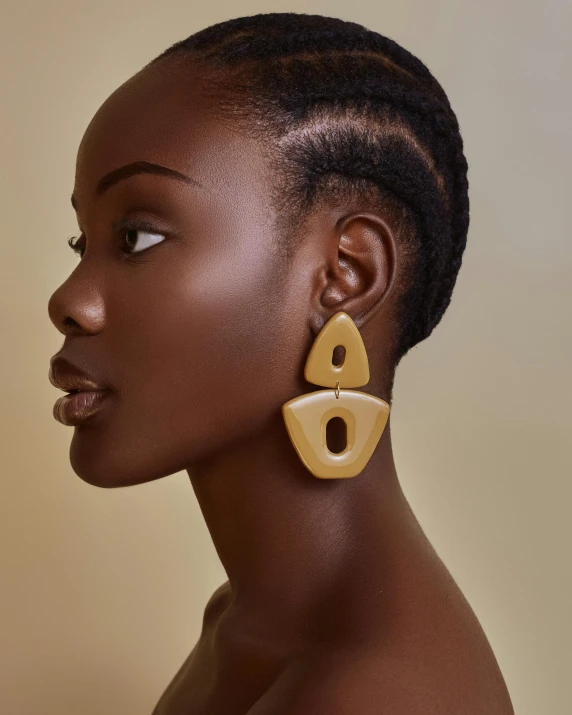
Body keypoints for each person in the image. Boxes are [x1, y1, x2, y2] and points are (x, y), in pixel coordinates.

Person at [47, 11, 515, 715]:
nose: (70, 301)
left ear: (345, 277)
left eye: (137, 235)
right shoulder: (238, 624)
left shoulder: (377, 697)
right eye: (83, 242)